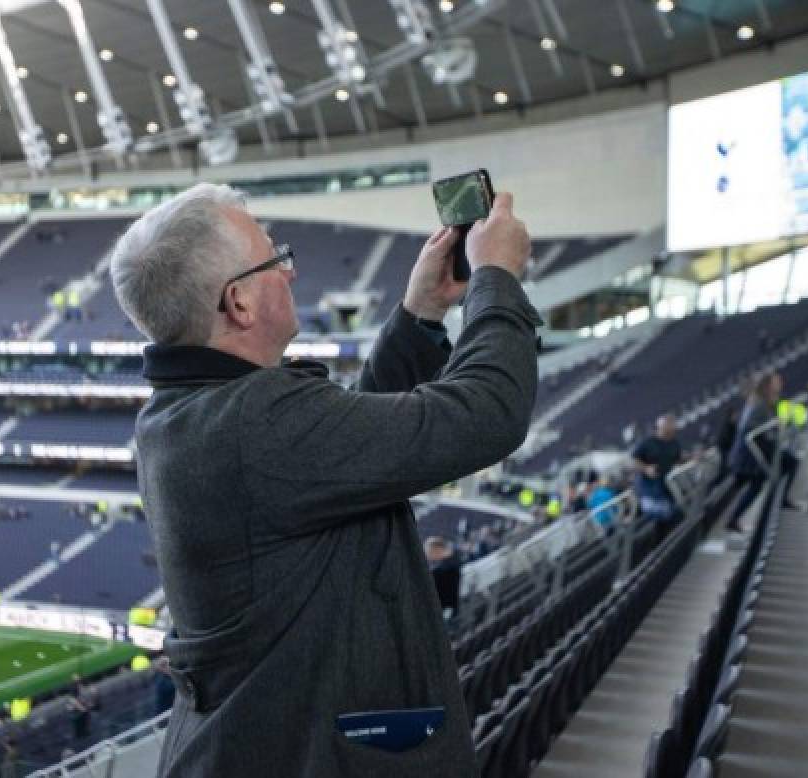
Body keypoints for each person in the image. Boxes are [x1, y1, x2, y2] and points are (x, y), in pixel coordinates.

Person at [112, 183, 538, 777]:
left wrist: (420, 315)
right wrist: (497, 279)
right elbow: (488, 414)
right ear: (239, 303)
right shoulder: (251, 422)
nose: (289, 272)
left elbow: (340, 463)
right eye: (274, 260)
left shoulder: (201, 411)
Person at [724, 372, 802, 532]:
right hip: (751, 452)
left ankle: (736, 518)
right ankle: (778, 499)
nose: (781, 383)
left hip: (759, 449)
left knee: (760, 482)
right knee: (762, 480)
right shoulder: (759, 403)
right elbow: (750, 429)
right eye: (777, 381)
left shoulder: (768, 402)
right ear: (768, 385)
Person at [632, 414, 685, 541]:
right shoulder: (647, 443)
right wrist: (646, 469)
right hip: (649, 489)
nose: (674, 429)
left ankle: (667, 544)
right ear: (662, 428)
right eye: (671, 427)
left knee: (674, 516)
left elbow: (679, 459)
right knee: (664, 516)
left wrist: (693, 457)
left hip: (667, 488)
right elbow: (634, 461)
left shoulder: (674, 443)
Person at [424, 536, 461, 619]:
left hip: (443, 613)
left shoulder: (439, 571)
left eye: (429, 552)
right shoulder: (453, 563)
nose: (427, 556)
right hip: (450, 610)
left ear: (438, 550)